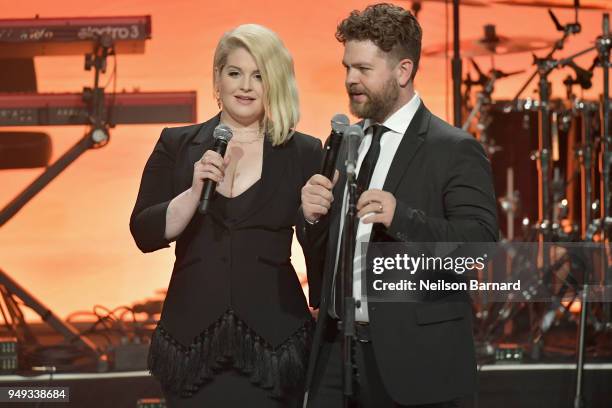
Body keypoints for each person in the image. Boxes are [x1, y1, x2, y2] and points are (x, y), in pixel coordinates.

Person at [298, 4, 498, 408]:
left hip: (419, 362)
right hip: (337, 357)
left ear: (403, 71)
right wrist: (311, 218)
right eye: (346, 67)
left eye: (363, 69)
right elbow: (327, 257)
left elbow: (480, 248)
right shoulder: (344, 143)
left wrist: (402, 217)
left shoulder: (454, 149)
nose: (350, 80)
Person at [130, 24, 323, 408]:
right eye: (235, 73)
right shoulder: (176, 144)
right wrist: (191, 193)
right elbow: (143, 232)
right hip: (192, 343)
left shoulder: (303, 151)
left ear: (273, 84)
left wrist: (315, 219)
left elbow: (321, 252)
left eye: (259, 76)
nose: (246, 86)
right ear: (218, 78)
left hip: (275, 342)